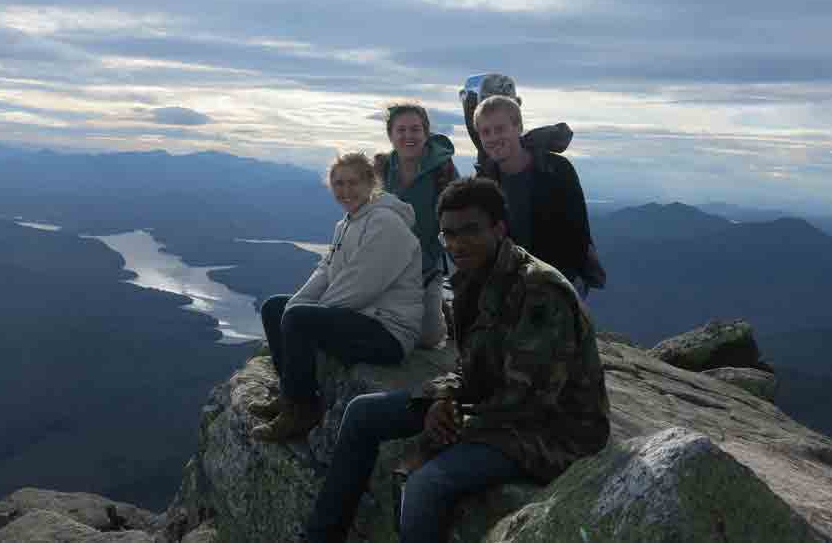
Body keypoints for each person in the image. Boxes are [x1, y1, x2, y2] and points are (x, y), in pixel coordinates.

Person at [302, 176, 610, 543]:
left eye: (470, 231)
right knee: (362, 413)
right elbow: (469, 366)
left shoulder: (540, 290)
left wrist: (454, 423)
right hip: (491, 406)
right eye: (448, 234)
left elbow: (532, 399)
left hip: (553, 431)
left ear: (499, 229)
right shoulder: (473, 278)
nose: (456, 244)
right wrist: (442, 398)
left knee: (427, 484)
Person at [251, 152, 424, 442]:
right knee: (275, 308)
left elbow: (362, 285)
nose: (345, 191)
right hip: (361, 317)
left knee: (297, 319)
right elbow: (326, 271)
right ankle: (290, 394)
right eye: (338, 184)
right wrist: (295, 306)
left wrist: (304, 317)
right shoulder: (347, 223)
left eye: (353, 183)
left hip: (389, 333)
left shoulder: (385, 223)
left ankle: (303, 410)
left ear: (371, 182)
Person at [471, 93, 601, 296]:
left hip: (559, 282)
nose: (493, 137)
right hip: (509, 286)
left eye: (500, 129)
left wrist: (557, 284)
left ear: (518, 128)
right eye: (486, 132)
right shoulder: (484, 180)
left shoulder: (556, 169)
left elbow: (578, 233)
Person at [372, 101, 457, 348]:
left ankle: (440, 310)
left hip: (425, 267)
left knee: (428, 339)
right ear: (390, 134)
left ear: (426, 132)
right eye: (401, 130)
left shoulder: (443, 169)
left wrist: (439, 257)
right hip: (385, 267)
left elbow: (459, 215)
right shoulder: (381, 168)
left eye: (415, 129)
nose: (408, 136)